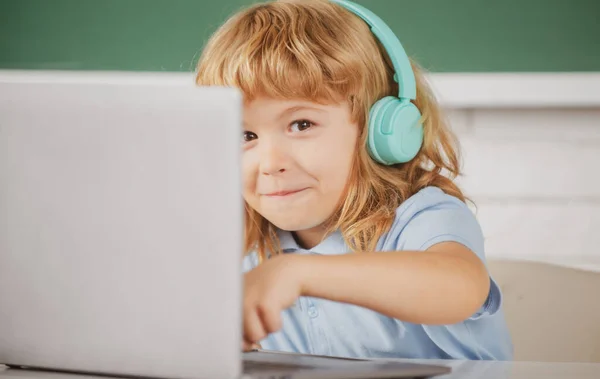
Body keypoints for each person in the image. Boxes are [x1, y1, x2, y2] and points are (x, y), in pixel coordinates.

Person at [195, 0, 513, 360]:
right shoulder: (250, 246)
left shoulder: (421, 216)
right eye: (245, 136)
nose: (269, 164)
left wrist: (296, 272)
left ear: (379, 130)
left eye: (301, 124)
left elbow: (460, 287)